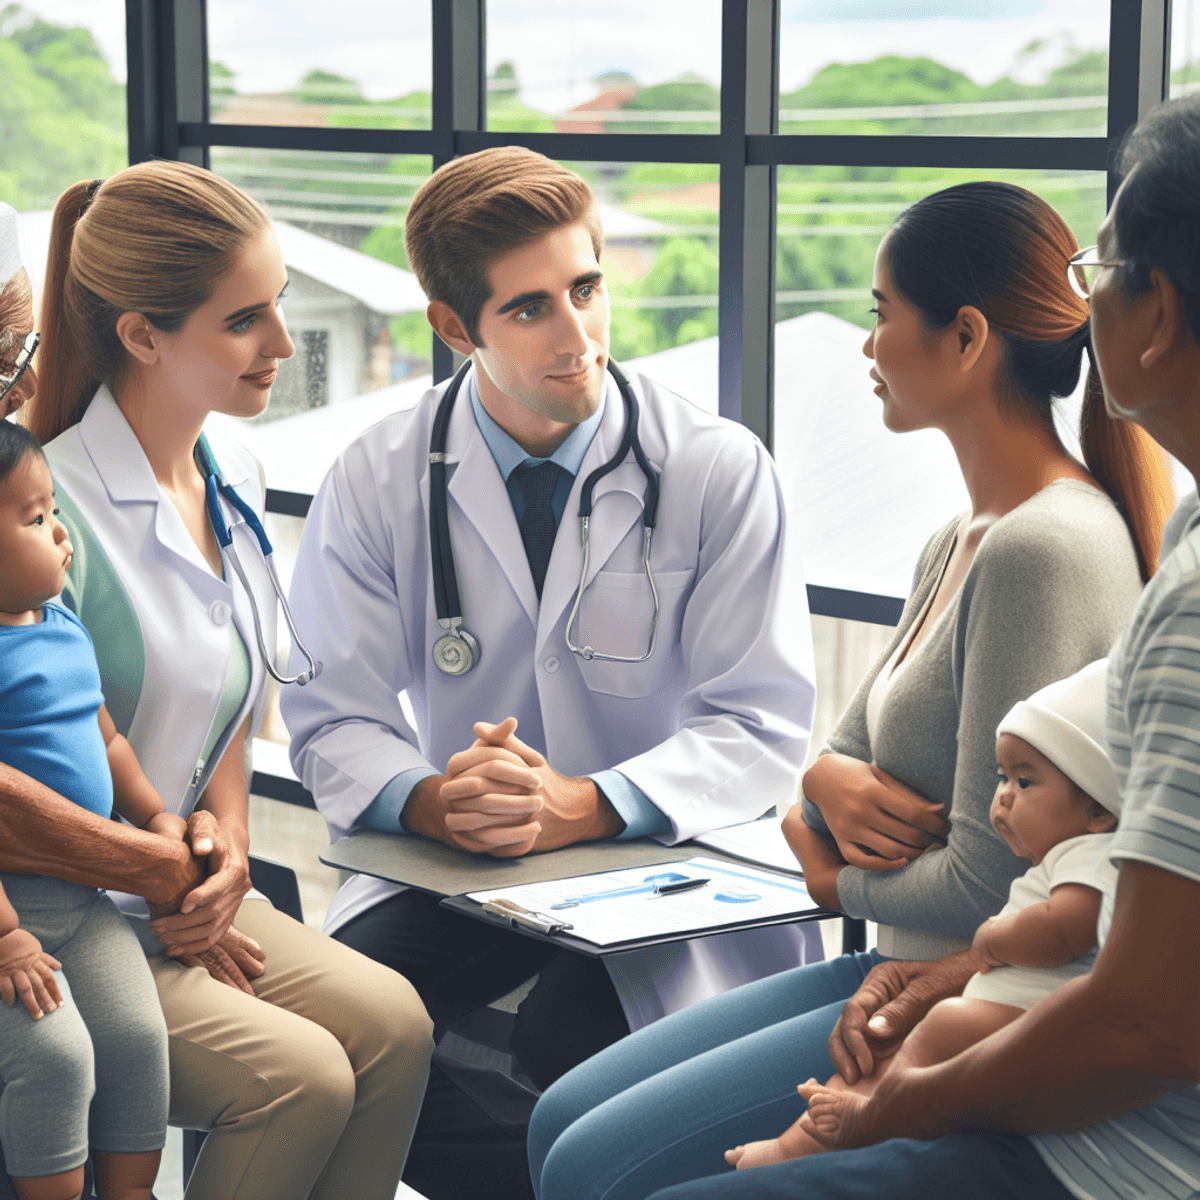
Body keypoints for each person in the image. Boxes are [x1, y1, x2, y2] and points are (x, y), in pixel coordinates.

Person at [528, 180, 1174, 1200]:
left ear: (964, 337)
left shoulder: (1044, 550)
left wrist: (838, 885)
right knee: (560, 1118)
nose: (867, 347)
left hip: (970, 993)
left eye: (881, 313)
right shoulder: (958, 539)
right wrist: (826, 785)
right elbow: (831, 759)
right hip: (887, 962)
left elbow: (985, 878)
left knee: (587, 1167)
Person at [281, 146, 817, 1199]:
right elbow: (329, 705)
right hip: (467, 866)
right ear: (453, 326)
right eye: (530, 309)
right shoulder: (382, 476)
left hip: (660, 864)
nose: (578, 338)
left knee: (580, 1059)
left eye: (586, 288)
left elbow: (759, 722)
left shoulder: (715, 468)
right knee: (326, 1037)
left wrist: (586, 802)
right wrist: (431, 799)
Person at [2, 161, 435, 1200]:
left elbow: (227, 712)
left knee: (398, 1028)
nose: (284, 345)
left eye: (279, 306)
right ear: (143, 334)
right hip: (81, 911)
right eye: (247, 320)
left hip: (191, 887)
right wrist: (168, 877)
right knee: (303, 1081)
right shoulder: (39, 516)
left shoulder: (232, 474)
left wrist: (227, 843)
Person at [730, 658, 1120, 1168]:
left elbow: (1066, 928)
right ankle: (792, 1147)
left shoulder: (1095, 858)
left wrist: (994, 941)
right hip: (1000, 1001)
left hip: (1022, 1015)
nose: (1001, 798)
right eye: (1002, 777)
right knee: (881, 1050)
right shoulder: (1067, 856)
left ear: (1098, 811)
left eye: (1025, 784)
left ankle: (869, 1120)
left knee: (933, 1032)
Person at [0, 417, 179, 1200]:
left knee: (138, 1037)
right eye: (34, 519)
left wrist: (152, 814)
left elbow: (105, 736)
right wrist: (7, 939)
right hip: (14, 909)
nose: (60, 533)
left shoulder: (63, 625)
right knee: (56, 1057)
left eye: (54, 510)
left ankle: (133, 1193)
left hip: (85, 900)